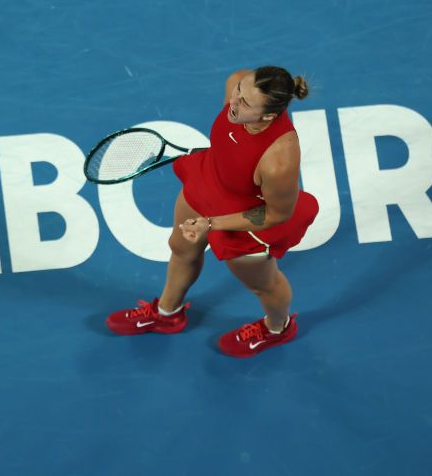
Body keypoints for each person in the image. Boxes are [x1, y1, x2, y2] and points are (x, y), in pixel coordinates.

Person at [106, 66, 320, 357]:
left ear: (268, 116)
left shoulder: (279, 160)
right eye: (239, 92)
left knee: (264, 285)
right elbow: (232, 135)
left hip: (246, 219)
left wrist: (212, 223)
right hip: (208, 182)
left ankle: (277, 328)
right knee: (181, 248)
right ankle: (168, 313)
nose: (235, 102)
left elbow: (275, 215)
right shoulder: (238, 83)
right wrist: (221, 157)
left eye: (245, 103)